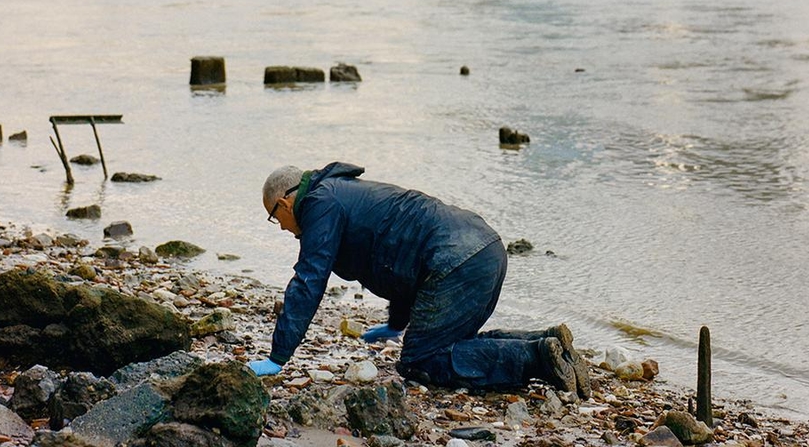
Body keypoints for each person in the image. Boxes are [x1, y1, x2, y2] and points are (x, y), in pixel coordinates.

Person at [247, 162, 590, 398]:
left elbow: (308, 281)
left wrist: (278, 357)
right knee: (453, 342)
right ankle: (547, 342)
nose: (281, 227)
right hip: (485, 248)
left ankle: (537, 359)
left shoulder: (320, 205)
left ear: (284, 203)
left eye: (274, 218)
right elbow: (397, 258)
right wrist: (396, 324)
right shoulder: (340, 192)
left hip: (456, 261)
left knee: (420, 360)